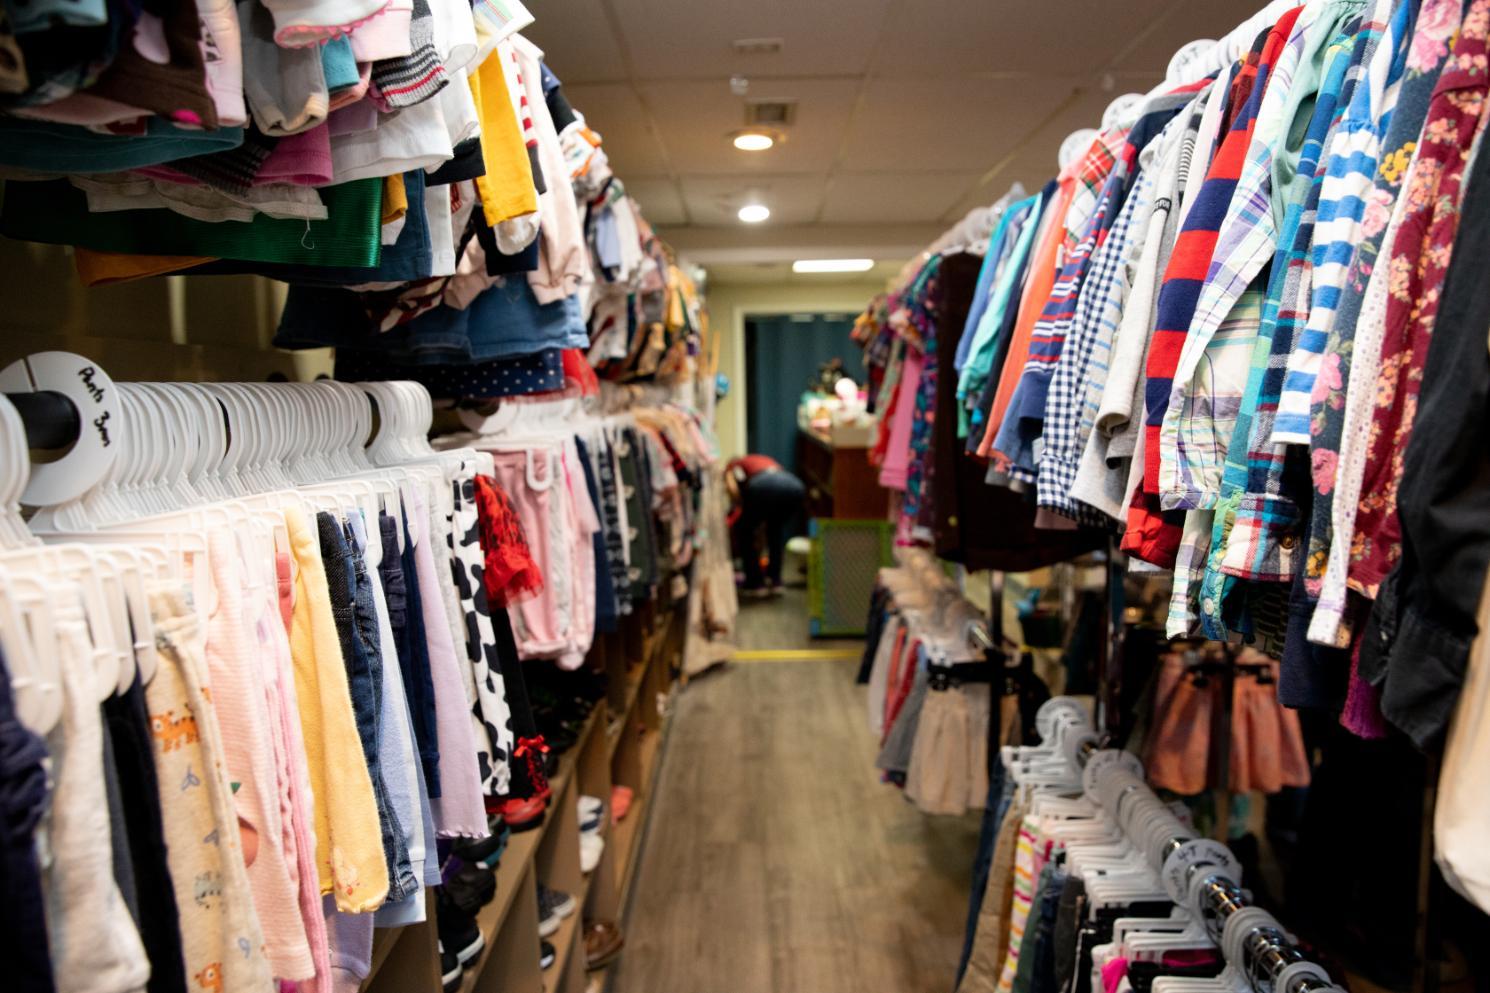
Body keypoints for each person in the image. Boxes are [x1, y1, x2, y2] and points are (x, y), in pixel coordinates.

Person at [725, 453, 806, 598]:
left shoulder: (734, 465)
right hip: (794, 486)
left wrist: (738, 504)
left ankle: (755, 583)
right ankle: (775, 581)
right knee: (775, 529)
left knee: (743, 531)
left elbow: (732, 487)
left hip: (762, 485)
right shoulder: (762, 459)